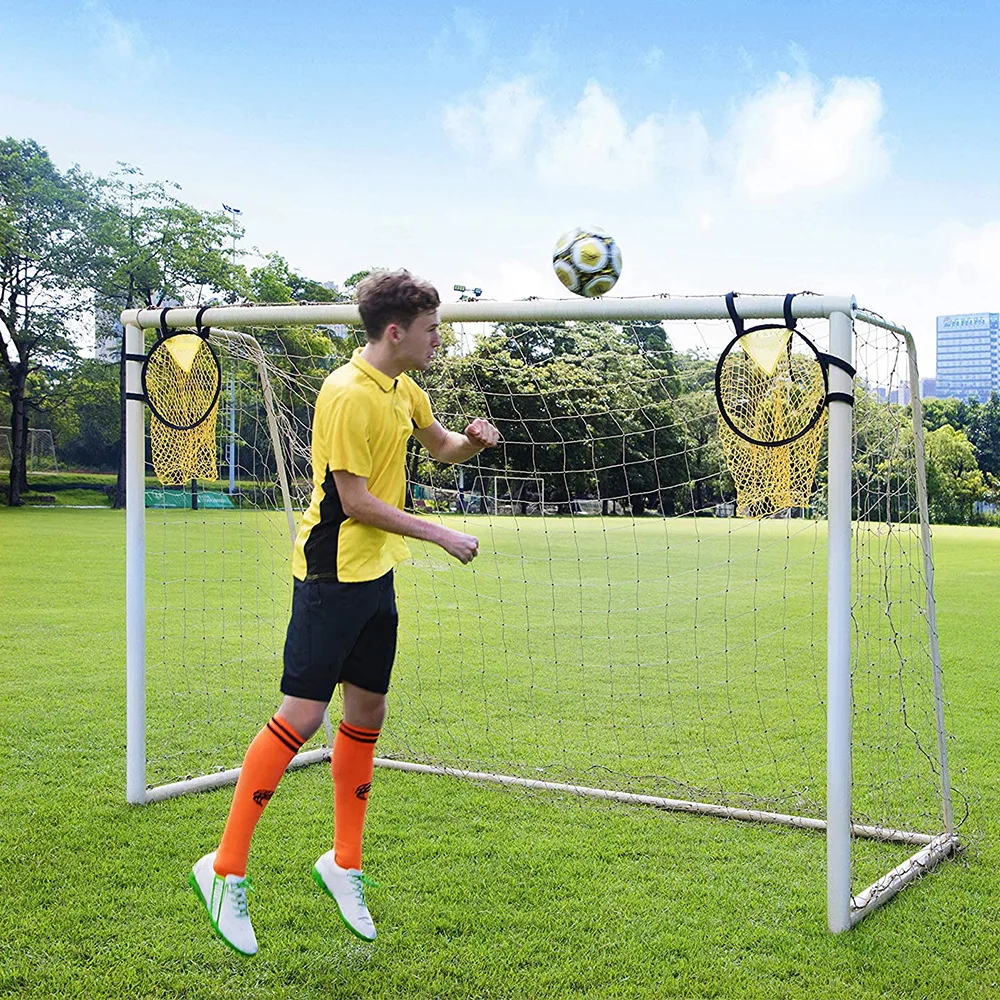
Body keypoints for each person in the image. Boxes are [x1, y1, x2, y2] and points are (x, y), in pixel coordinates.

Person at [190, 270, 500, 955]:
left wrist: (474, 440)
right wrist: (443, 535)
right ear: (396, 332)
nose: (437, 339)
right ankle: (224, 868)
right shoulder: (346, 394)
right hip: (330, 575)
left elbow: (441, 444)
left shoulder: (403, 387)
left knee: (367, 715)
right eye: (430, 329)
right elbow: (355, 501)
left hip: (374, 579)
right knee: (302, 716)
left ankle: (344, 863)